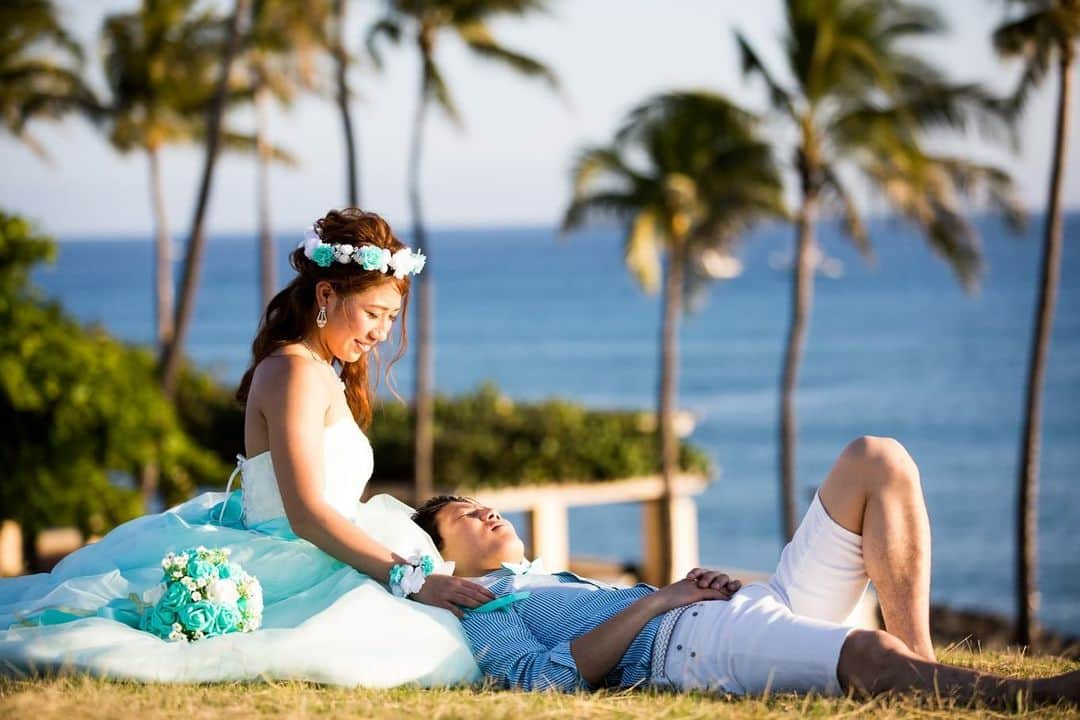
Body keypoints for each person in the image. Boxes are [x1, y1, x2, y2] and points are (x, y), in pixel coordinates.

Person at [0, 208, 492, 686]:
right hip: (294, 556)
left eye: (391, 317)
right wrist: (409, 579)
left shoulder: (319, 371)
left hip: (326, 545)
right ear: (327, 294)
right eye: (374, 314)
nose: (382, 332)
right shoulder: (295, 373)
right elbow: (304, 513)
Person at [413, 436, 1080, 705]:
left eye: (485, 503)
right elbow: (545, 681)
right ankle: (1044, 699)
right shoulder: (483, 603)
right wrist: (660, 601)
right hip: (692, 646)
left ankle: (926, 668)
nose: (488, 512)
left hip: (744, 608)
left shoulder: (548, 577)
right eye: (466, 516)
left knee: (878, 461)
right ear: (447, 557)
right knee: (866, 652)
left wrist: (683, 594)